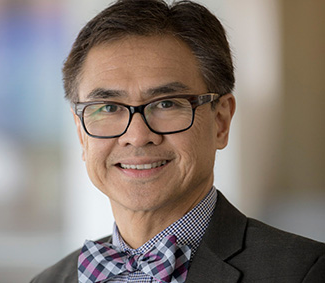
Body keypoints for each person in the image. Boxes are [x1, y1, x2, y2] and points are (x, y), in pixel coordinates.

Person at [31, 0, 325, 282]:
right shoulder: (49, 280)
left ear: (221, 121)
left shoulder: (303, 272)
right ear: (81, 134)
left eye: (166, 104)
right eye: (108, 107)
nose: (137, 136)